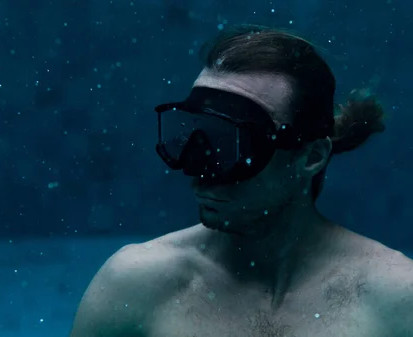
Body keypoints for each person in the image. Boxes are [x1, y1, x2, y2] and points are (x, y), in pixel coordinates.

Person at [69, 26, 413, 337]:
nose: (200, 169)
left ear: (311, 157)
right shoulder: (133, 285)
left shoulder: (397, 299)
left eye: (232, 144)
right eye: (191, 136)